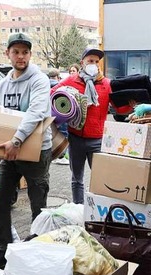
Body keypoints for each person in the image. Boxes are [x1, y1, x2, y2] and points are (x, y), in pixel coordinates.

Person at [0, 33, 53, 269]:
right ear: (8, 54)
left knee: (39, 204)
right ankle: (4, 248)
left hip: (35, 152)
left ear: (30, 54)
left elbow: (36, 112)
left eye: (25, 52)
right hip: (10, 151)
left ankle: (38, 246)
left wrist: (16, 140)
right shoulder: (3, 84)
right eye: (16, 52)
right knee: (0, 198)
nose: (21, 56)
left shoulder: (39, 80)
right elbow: (2, 115)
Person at [53, 48, 112, 204]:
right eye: (90, 61)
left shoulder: (106, 84)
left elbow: (119, 108)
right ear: (82, 63)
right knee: (77, 179)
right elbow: (52, 95)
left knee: (100, 179)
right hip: (76, 138)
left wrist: (130, 104)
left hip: (98, 140)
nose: (93, 64)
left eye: (96, 61)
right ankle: (78, 209)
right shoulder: (71, 81)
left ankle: (99, 210)